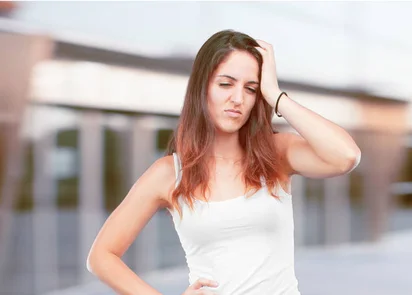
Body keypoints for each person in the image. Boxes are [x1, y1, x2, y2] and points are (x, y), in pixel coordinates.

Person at [86, 29, 361, 295]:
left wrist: (276, 95)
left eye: (251, 89)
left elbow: (345, 156)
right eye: (226, 84)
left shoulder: (275, 153)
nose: (238, 98)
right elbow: (101, 256)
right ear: (202, 86)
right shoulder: (169, 174)